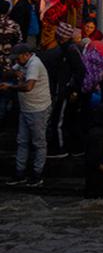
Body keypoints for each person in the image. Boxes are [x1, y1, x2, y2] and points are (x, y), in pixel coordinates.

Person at [2, 43, 51, 186]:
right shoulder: (22, 63)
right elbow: (7, 72)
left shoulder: (34, 64)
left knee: (38, 143)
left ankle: (37, 175)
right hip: (26, 109)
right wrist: (14, 73)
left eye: (18, 58)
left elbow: (29, 86)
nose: (16, 61)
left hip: (38, 109)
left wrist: (10, 87)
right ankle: (19, 173)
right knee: (22, 141)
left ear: (26, 55)